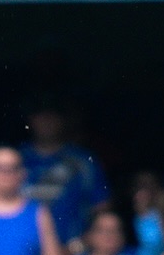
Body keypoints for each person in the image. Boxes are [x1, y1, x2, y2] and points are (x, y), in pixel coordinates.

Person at [20, 101, 109, 245]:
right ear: (30, 120)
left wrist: (76, 247)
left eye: (52, 116)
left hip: (73, 252)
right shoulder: (16, 160)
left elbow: (101, 209)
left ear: (62, 120)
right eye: (41, 116)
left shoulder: (83, 161)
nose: (47, 122)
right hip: (22, 250)